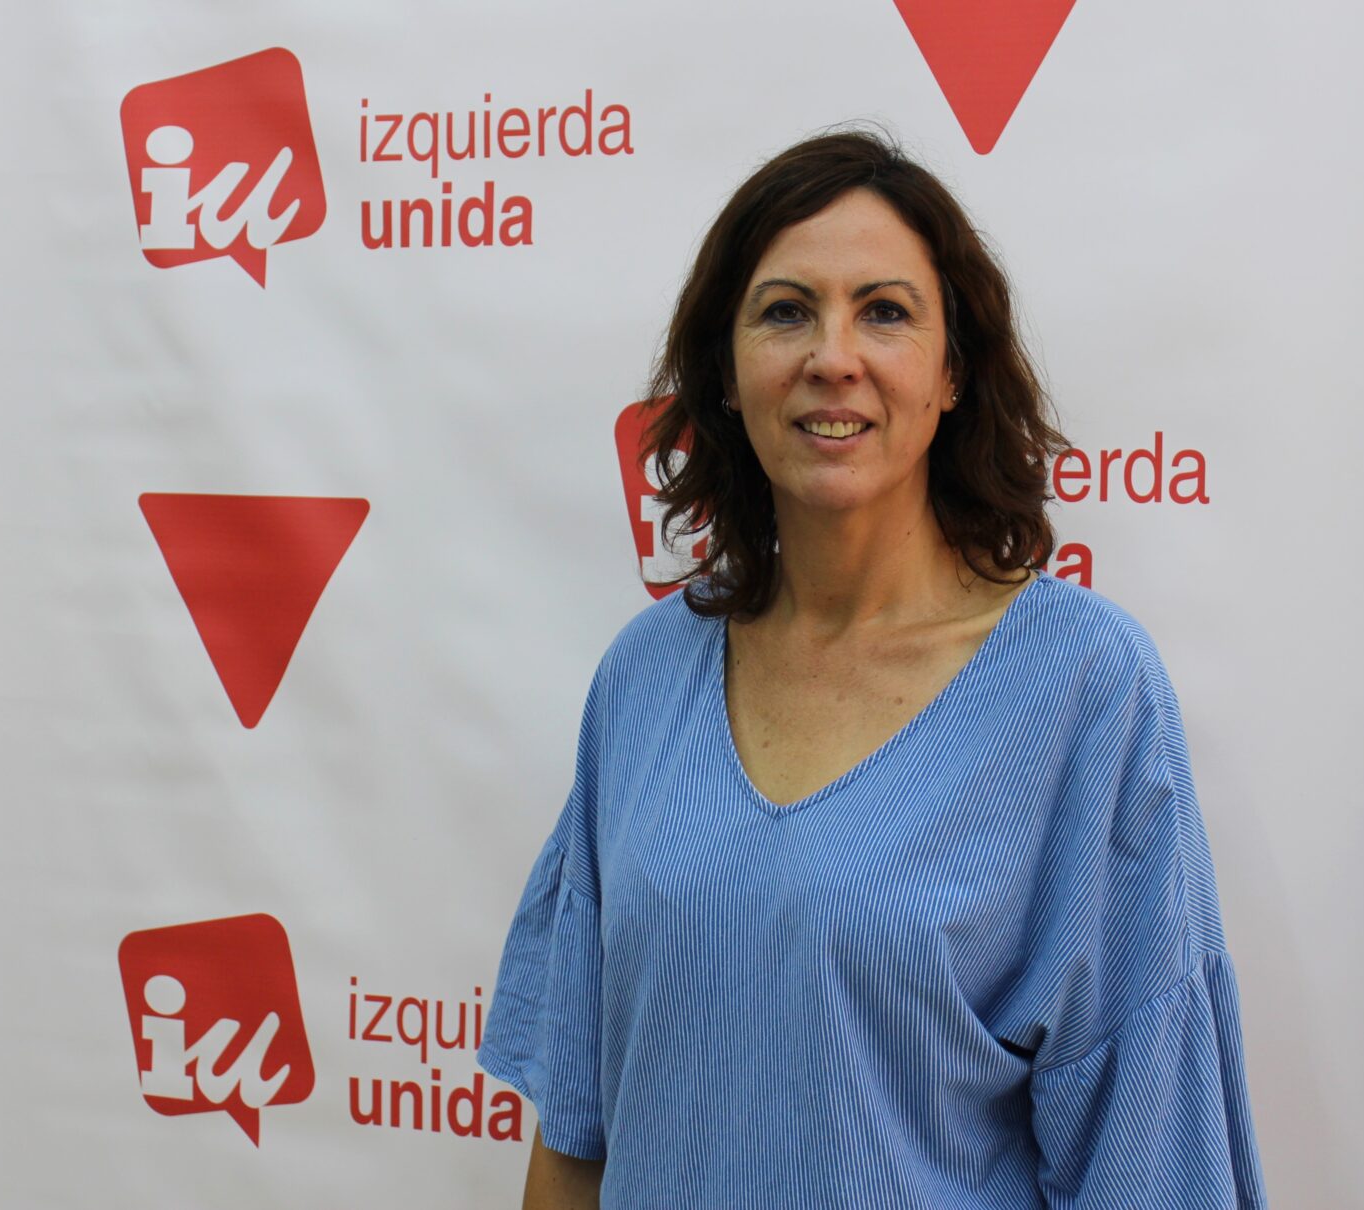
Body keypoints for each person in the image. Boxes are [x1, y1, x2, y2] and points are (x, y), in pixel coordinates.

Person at [478, 126, 1269, 1209]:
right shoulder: (643, 679)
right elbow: (575, 1134)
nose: (832, 356)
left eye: (886, 312)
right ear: (727, 375)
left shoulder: (1083, 689)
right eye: (785, 311)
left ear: (952, 374)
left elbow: (1153, 1162)